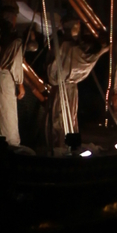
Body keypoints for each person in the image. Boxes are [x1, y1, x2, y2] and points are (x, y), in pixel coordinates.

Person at [44, 17, 108, 154]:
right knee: (63, 117)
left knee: (62, 116)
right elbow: (85, 60)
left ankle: (62, 144)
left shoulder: (59, 45)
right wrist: (102, 49)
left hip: (61, 88)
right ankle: (63, 146)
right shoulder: (71, 48)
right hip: (66, 88)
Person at [0, 2, 26, 146]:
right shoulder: (14, 41)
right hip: (6, 80)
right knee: (7, 112)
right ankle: (9, 142)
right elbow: (16, 64)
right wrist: (20, 85)